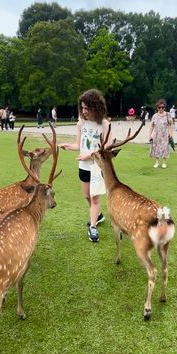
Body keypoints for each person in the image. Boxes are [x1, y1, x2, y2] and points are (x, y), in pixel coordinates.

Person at [59, 89, 110, 243]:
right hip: (83, 166)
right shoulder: (81, 123)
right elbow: (78, 144)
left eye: (87, 108)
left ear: (96, 107)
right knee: (87, 196)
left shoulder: (105, 124)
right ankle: (98, 216)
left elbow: (106, 148)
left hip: (97, 167)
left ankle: (93, 227)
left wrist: (89, 155)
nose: (84, 111)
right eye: (82, 108)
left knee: (95, 199)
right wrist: (70, 146)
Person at [149, 99, 173, 169]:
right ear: (157, 108)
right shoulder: (155, 116)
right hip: (156, 135)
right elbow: (151, 126)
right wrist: (150, 135)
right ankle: (157, 162)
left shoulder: (168, 115)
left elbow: (171, 125)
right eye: (159, 107)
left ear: (164, 107)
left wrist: (171, 134)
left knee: (165, 148)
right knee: (156, 148)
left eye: (162, 107)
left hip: (165, 135)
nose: (161, 108)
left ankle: (164, 163)